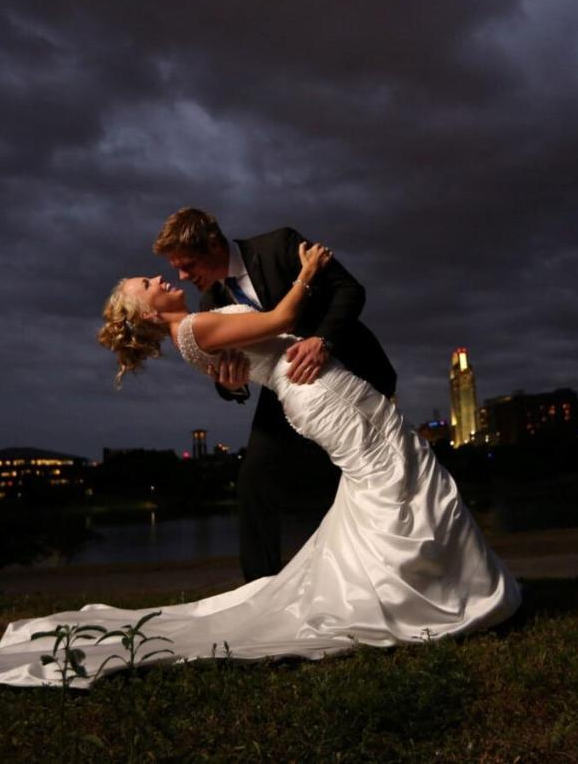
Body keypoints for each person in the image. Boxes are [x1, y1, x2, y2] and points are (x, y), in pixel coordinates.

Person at [0, 242, 521, 687]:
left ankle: (435, 590)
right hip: (317, 396)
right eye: (147, 284)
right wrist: (307, 271)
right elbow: (282, 317)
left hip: (328, 386)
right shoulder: (192, 331)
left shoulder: (197, 324)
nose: (160, 278)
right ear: (145, 312)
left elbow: (254, 347)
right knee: (396, 483)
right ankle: (433, 598)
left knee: (396, 481)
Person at [151, 208, 397, 582]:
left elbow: (350, 290)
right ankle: (261, 586)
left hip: (347, 369)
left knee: (362, 472)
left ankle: (370, 569)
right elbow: (224, 374)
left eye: (187, 264)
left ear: (214, 244)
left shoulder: (279, 244)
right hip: (287, 390)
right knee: (254, 478)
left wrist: (323, 341)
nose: (182, 277)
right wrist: (230, 385)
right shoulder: (207, 305)